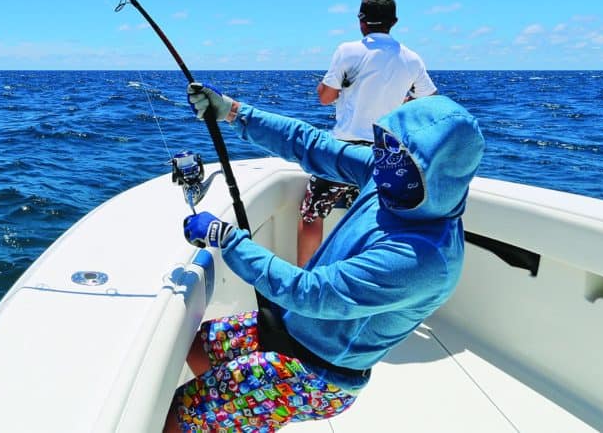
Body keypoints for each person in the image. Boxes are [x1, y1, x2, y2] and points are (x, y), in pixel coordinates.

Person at [163, 82, 484, 432]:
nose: (386, 165)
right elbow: (311, 145)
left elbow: (309, 293)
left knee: (182, 414)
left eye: (402, 160)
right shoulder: (389, 175)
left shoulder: (425, 259)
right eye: (388, 147)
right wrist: (233, 111)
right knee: (199, 346)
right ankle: (233, 418)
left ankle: (224, 415)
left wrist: (224, 238)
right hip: (291, 327)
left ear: (437, 176)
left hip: (316, 374)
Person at [300, 0, 437, 266]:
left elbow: (325, 97)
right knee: (368, 220)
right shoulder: (412, 59)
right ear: (394, 22)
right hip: (383, 156)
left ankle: (303, 281)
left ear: (361, 21)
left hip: (344, 151)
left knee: (312, 214)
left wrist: (327, 87)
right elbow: (430, 100)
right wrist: (403, 100)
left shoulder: (347, 51)